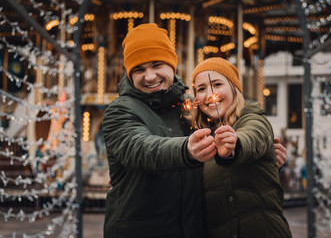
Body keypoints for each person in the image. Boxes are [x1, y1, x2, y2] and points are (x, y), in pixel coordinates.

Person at [102, 23, 287, 238]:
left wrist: (259, 157)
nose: (150, 76)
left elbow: (245, 137)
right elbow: (140, 148)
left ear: (172, 66)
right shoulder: (119, 110)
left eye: (157, 65)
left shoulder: (190, 110)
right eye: (139, 69)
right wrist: (187, 150)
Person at [190, 57, 292, 238]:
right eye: (201, 89)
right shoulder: (200, 137)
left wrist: (233, 145)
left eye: (217, 84)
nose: (209, 94)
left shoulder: (253, 118)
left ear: (234, 88)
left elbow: (253, 136)